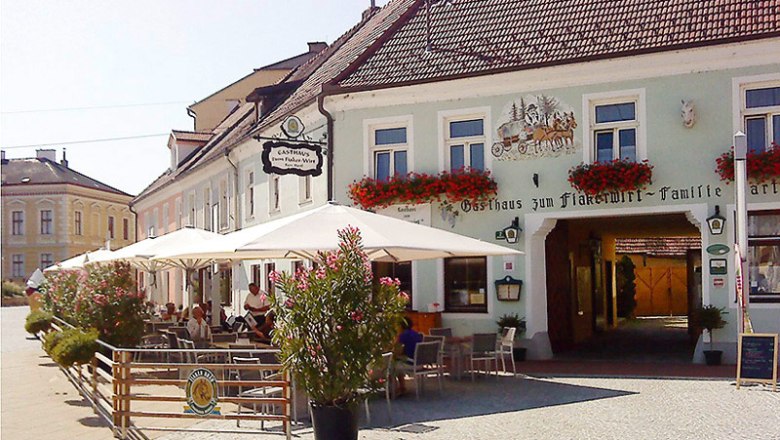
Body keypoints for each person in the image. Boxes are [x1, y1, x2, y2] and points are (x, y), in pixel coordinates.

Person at [396, 317, 422, 394]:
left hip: (411, 363)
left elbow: (398, 351)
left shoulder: (403, 336)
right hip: (420, 362)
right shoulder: (417, 334)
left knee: (392, 366)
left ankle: (396, 389)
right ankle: (401, 387)